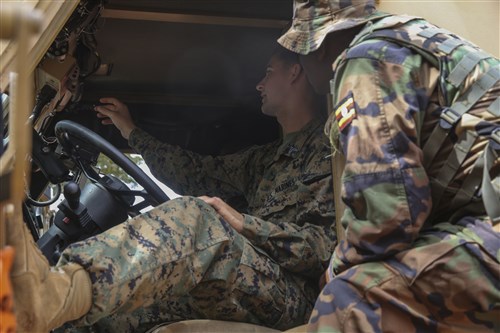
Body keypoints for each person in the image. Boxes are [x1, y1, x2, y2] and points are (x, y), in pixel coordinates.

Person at [8, 46, 336, 333]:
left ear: (295, 72)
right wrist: (131, 132)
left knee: (198, 219)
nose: (259, 84)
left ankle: (53, 294)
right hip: (251, 282)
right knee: (107, 312)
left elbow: (327, 249)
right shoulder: (266, 159)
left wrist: (244, 225)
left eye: (268, 73)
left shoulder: (329, 152)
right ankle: (40, 308)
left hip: (296, 296)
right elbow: (192, 172)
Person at [277, 0, 500, 332]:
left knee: (347, 303)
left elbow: (388, 215)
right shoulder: (412, 38)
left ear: (318, 47)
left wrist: (335, 267)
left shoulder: (365, 60)